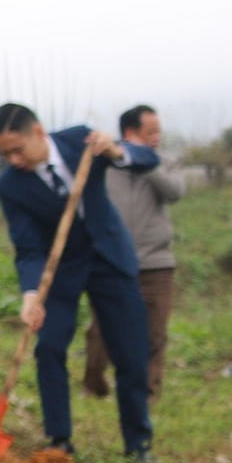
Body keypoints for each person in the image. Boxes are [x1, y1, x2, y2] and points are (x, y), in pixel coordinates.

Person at [0, 103, 158, 463]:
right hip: (60, 268)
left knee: (131, 353)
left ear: (38, 131)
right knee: (48, 347)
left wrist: (115, 150)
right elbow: (28, 247)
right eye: (5, 154)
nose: (14, 160)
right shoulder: (9, 187)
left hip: (110, 257)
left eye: (18, 150)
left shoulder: (81, 140)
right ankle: (59, 440)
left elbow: (147, 159)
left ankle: (138, 444)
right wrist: (31, 295)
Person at [80, 106, 183, 402]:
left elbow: (175, 192)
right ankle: (94, 386)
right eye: (150, 132)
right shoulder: (104, 164)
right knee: (101, 330)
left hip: (156, 262)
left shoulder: (166, 163)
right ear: (129, 132)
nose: (157, 138)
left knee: (155, 332)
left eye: (158, 131)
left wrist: (145, 162)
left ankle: (147, 392)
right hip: (110, 260)